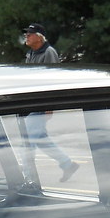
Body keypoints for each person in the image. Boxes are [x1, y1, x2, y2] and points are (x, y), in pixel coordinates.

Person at [20, 23, 80, 182]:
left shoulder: (49, 52)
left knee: (27, 142)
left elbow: (54, 80)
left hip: (41, 104)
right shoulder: (30, 54)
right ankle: (67, 164)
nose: (27, 36)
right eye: (26, 33)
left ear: (39, 36)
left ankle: (27, 178)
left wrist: (49, 106)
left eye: (30, 34)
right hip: (31, 104)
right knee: (40, 139)